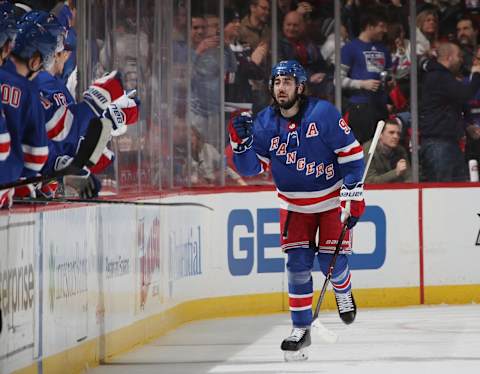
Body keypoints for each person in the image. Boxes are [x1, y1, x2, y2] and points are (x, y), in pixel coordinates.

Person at [228, 60, 365, 360]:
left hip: (330, 200)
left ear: (300, 87)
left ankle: (343, 290)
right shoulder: (264, 123)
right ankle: (300, 329)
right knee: (298, 266)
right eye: (277, 82)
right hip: (293, 204)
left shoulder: (323, 114)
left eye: (288, 82)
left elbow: (352, 155)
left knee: (332, 263)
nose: (281, 87)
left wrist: (353, 193)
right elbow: (252, 169)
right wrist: (241, 145)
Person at [419, 42, 480, 182]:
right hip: (438, 145)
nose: (461, 60)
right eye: (459, 56)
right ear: (449, 57)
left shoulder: (443, 77)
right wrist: (476, 74)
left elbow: (452, 106)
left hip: (449, 143)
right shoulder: (439, 76)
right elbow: (465, 94)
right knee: (442, 192)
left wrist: (466, 126)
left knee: (457, 191)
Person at [341, 8, 392, 144]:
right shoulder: (350, 48)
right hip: (360, 106)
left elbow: (389, 73)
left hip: (381, 107)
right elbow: (338, 80)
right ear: (369, 26)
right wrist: (363, 84)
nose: (385, 30)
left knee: (381, 145)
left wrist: (390, 86)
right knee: (363, 145)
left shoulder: (384, 49)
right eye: (382, 26)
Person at [363, 118, 411, 183]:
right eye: (391, 132)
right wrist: (395, 172)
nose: (395, 136)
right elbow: (369, 181)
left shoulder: (401, 151)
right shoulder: (369, 149)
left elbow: (409, 178)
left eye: (398, 134)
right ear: (380, 134)